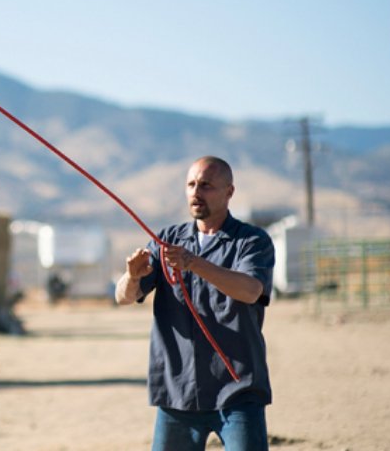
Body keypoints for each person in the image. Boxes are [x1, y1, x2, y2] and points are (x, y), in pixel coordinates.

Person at [115, 156, 275, 451]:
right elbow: (123, 297)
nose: (196, 192)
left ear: (229, 192)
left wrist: (193, 263)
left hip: (238, 392)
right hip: (179, 394)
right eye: (191, 184)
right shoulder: (165, 241)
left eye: (206, 185)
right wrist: (131, 276)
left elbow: (251, 290)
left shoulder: (252, 241)